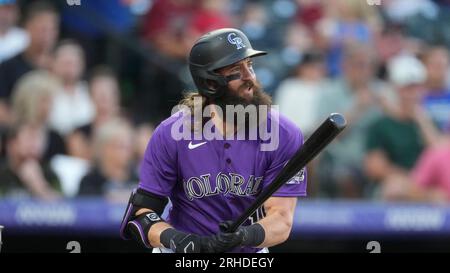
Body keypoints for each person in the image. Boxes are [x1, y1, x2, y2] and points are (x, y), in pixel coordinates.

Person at [120, 28, 307, 253]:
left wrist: (243, 236)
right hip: (182, 252)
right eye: (237, 70)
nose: (250, 77)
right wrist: (180, 240)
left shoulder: (283, 134)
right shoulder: (171, 133)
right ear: (210, 83)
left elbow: (282, 220)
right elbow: (142, 215)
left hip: (248, 252)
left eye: (250, 65)